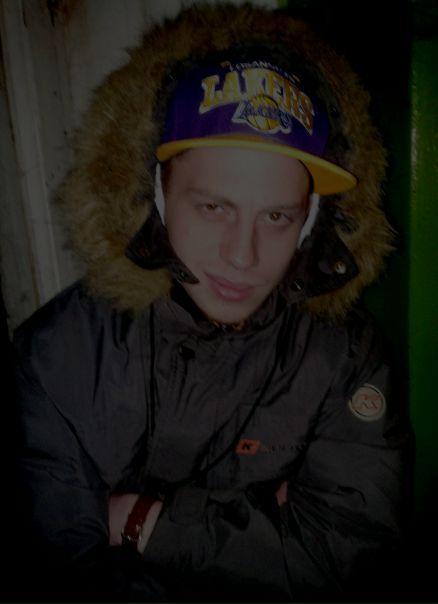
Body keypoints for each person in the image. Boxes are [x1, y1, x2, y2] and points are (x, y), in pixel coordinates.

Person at [12, 2, 413, 601]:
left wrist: (142, 523)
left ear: (311, 223)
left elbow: (349, 554)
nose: (242, 256)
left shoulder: (346, 357)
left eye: (276, 217)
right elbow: (59, 573)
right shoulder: (57, 358)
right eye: (214, 207)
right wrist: (265, 531)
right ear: (154, 194)